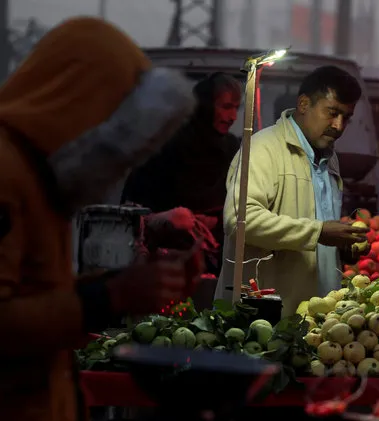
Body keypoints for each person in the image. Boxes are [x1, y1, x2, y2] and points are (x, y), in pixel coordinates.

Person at [0, 17, 198, 421]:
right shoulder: (6, 174)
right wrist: (112, 296)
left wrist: (123, 285)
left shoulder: (36, 175)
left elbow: (35, 294)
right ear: (78, 104)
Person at [215, 66, 369, 315]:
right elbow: (239, 220)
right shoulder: (263, 149)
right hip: (265, 318)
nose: (339, 125)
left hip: (316, 316)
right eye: (332, 113)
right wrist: (318, 233)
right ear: (304, 104)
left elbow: (316, 229)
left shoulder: (329, 158)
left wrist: (340, 246)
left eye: (346, 117)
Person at [121, 72, 242, 274]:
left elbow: (238, 200)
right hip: (164, 260)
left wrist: (218, 220)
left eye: (236, 108)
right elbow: (138, 207)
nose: (233, 117)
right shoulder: (168, 143)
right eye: (226, 107)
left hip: (217, 259)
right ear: (205, 106)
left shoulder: (231, 148)